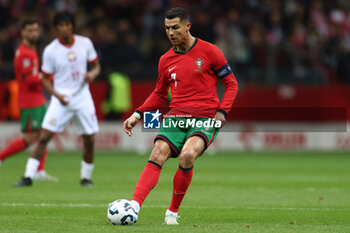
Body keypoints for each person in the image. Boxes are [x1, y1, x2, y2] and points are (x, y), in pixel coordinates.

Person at [123, 7, 238, 225]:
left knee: (187, 155)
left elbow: (231, 84)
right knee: (157, 153)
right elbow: (158, 94)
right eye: (167, 28)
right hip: (176, 116)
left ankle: (172, 212)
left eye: (175, 27)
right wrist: (137, 115)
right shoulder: (165, 60)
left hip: (205, 118)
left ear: (187, 26)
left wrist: (222, 111)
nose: (171, 33)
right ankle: (133, 206)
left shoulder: (210, 51)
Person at [14, 11, 100, 187]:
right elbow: (45, 78)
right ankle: (28, 176)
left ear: (72, 26)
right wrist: (56, 95)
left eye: (67, 25)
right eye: (60, 26)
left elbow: (96, 66)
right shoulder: (51, 50)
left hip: (83, 97)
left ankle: (86, 178)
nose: (64, 28)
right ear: (56, 28)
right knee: (44, 137)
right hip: (60, 98)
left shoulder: (85, 43)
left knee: (89, 139)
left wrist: (91, 74)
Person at [0, 19, 55, 181]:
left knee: (44, 134)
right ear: (22, 32)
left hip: (37, 99)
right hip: (30, 102)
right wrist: (49, 75)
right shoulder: (23, 53)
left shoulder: (31, 50)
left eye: (36, 30)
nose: (34, 34)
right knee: (31, 138)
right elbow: (29, 80)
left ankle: (39, 170)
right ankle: (1, 157)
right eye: (30, 30)